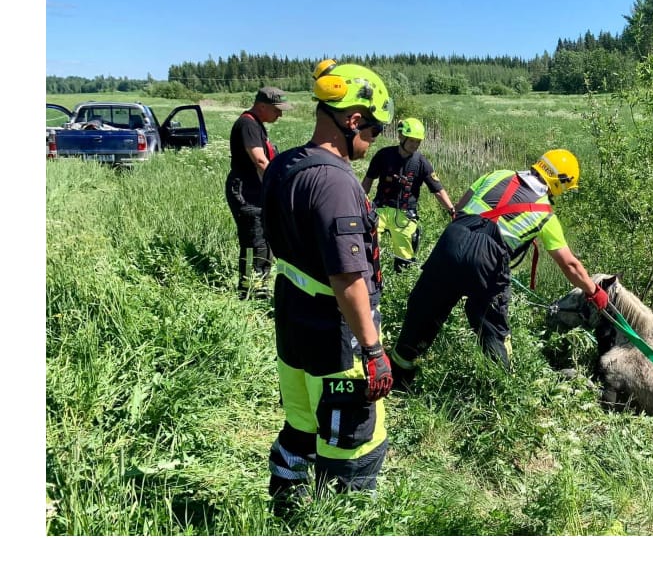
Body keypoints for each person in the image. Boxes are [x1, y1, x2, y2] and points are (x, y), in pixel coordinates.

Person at [260, 60, 394, 516]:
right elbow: (348, 277)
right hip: (336, 338)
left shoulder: (283, 165)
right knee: (354, 442)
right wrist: (373, 353)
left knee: (300, 425)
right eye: (373, 131)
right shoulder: (336, 182)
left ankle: (285, 510)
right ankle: (342, 524)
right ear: (352, 120)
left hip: (293, 325)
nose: (371, 141)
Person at [387, 149, 608, 388]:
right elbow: (570, 264)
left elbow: (460, 206)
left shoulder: (497, 175)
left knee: (424, 310)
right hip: (487, 259)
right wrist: (593, 291)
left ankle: (398, 376)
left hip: (453, 238)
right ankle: (503, 387)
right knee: (492, 326)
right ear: (560, 182)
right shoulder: (545, 214)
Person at [361, 117, 457, 271]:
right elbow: (368, 180)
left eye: (418, 142)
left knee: (405, 256)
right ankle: (370, 279)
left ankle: (401, 280)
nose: (415, 145)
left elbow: (437, 189)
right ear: (401, 137)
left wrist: (451, 209)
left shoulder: (421, 163)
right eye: (412, 141)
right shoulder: (383, 155)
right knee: (368, 245)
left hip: (406, 214)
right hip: (381, 209)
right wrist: (360, 202)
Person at [225, 85, 290, 299]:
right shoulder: (247, 124)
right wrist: (279, 186)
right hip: (246, 193)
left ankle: (259, 285)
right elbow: (260, 160)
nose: (280, 114)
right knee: (254, 241)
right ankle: (248, 291)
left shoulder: (257, 124)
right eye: (277, 109)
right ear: (262, 106)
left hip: (257, 192)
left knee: (264, 239)